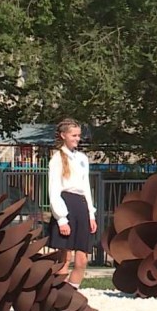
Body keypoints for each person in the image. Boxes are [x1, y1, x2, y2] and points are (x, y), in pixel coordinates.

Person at [47, 118, 97, 289]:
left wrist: (91, 214)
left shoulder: (82, 158)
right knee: (65, 257)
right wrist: (61, 219)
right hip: (65, 204)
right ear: (63, 136)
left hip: (81, 205)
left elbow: (86, 187)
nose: (77, 138)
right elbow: (54, 190)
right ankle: (58, 295)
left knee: (82, 258)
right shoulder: (57, 159)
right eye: (74, 135)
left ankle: (72, 293)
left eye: (78, 135)